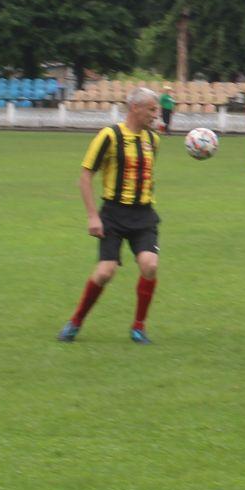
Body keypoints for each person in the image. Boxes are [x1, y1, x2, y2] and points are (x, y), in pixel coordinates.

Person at [58, 87, 163, 345]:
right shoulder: (109, 135)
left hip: (144, 214)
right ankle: (76, 321)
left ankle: (139, 327)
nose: (155, 114)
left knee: (150, 265)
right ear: (135, 108)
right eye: (151, 109)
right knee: (105, 272)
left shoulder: (152, 140)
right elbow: (85, 177)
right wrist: (93, 217)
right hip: (114, 214)